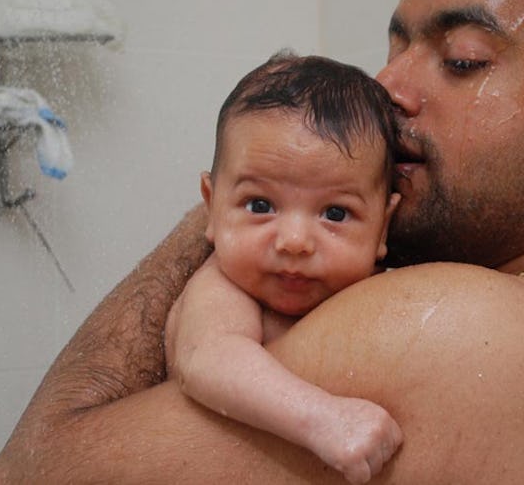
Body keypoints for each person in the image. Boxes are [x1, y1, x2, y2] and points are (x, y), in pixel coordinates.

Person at [0, 0, 524, 483]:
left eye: (461, 59)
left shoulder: (451, 326)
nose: (386, 88)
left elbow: (25, 471)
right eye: (396, 47)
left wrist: (252, 196)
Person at [165, 53, 402, 484]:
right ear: (212, 207)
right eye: (260, 205)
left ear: (383, 225)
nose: (294, 241)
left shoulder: (373, 286)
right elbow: (209, 359)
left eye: (334, 213)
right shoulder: (223, 288)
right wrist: (326, 419)